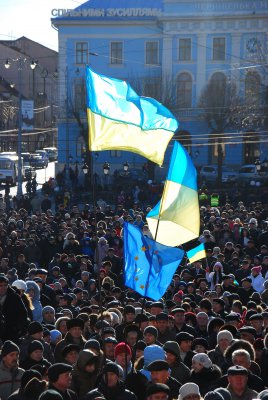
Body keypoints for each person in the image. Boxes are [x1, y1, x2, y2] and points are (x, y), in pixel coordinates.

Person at [0, 274, 28, 343]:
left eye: (5, 285)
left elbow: (23, 314)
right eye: (0, 285)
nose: (3, 287)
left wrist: (18, 329)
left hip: (11, 333)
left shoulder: (15, 297)